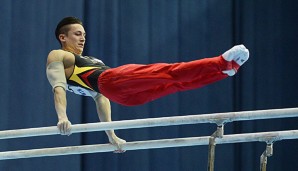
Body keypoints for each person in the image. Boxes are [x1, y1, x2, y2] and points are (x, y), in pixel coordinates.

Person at [46, 17, 249, 152]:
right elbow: (58, 88)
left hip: (118, 93)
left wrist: (111, 135)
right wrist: (63, 117)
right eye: (77, 34)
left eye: (84, 34)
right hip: (110, 81)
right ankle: (221, 62)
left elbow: (101, 98)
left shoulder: (92, 60)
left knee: (175, 83)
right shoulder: (59, 56)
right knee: (169, 73)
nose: (82, 38)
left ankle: (223, 71)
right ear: (62, 37)